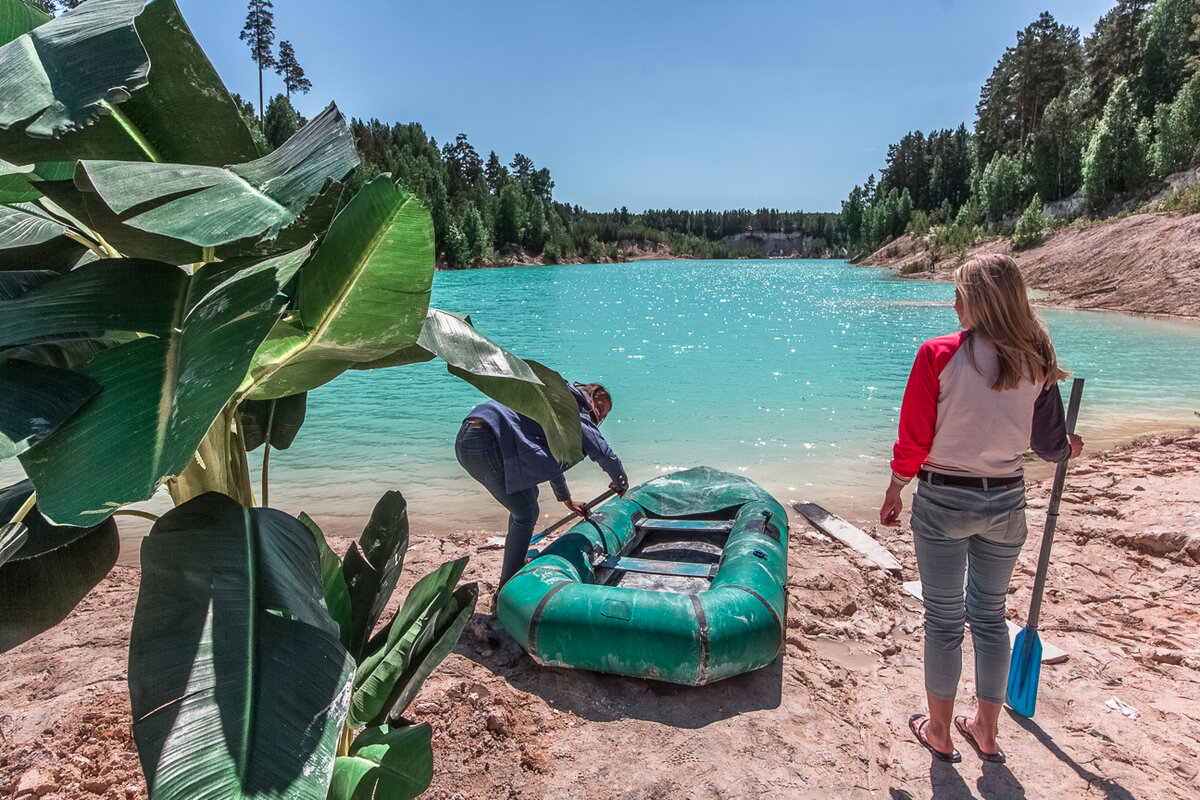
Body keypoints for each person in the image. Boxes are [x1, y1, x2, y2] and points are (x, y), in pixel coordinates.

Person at [879, 254, 1083, 765]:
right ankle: (987, 733)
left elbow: (914, 439)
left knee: (944, 621)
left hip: (944, 499)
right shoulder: (1035, 361)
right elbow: (1051, 444)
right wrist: (1070, 449)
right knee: (990, 619)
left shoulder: (939, 354)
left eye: (959, 295)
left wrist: (894, 489)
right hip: (1006, 500)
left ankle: (942, 732)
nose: (953, 304)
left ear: (981, 301)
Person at [455, 381, 628, 592]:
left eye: (603, 416)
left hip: (472, 433)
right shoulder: (576, 410)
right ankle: (507, 586)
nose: (598, 417)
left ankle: (516, 558)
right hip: (484, 440)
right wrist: (620, 479)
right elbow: (601, 451)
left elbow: (551, 459)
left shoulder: (560, 399)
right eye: (599, 409)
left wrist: (566, 500)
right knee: (526, 513)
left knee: (529, 494)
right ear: (589, 397)